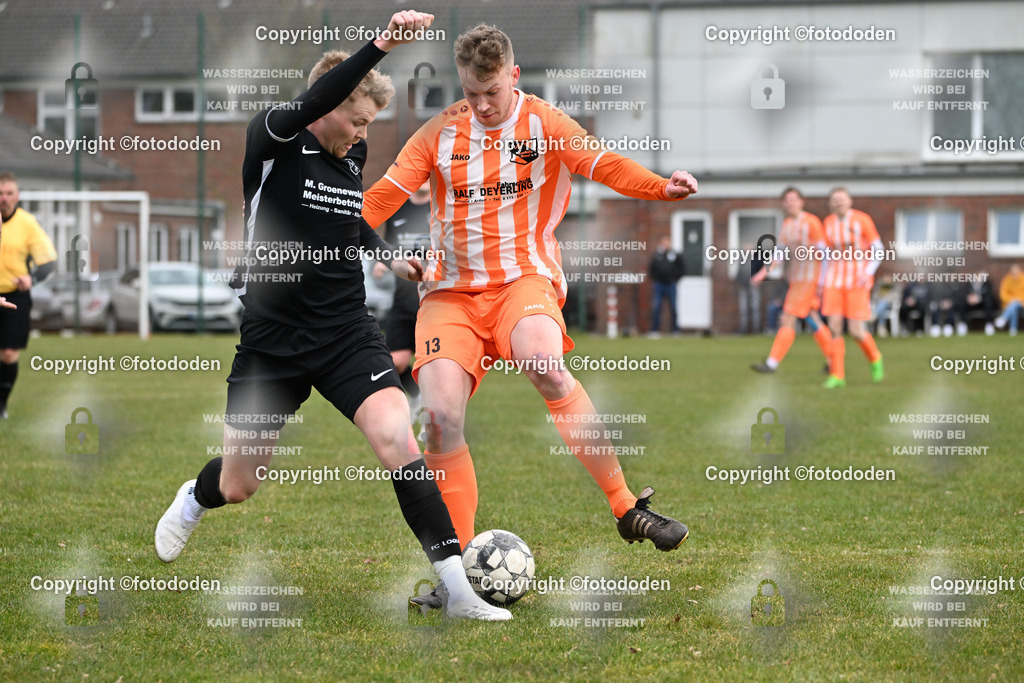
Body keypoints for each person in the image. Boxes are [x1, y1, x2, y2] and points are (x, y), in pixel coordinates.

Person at [154, 11, 511, 622]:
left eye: (368, 124)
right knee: (240, 483)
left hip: (345, 330)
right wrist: (384, 43)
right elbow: (316, 97)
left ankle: (459, 594)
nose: (360, 134)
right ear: (326, 106)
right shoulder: (273, 136)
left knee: (399, 437)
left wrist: (392, 262)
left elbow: (349, 221)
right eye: (355, 118)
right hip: (271, 340)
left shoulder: (352, 151)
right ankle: (195, 497)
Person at [363, 23, 695, 577]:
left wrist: (662, 186)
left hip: (523, 281)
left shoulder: (545, 123)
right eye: (471, 93)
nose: (483, 104)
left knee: (547, 365)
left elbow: (605, 163)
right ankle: (457, 574)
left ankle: (625, 506)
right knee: (440, 417)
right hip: (450, 294)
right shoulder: (437, 136)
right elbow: (378, 202)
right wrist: (327, 235)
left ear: (513, 76)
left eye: (492, 92)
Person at [750, 187, 832, 374]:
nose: (790, 203)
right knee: (814, 320)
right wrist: (763, 273)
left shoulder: (811, 222)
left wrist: (822, 281)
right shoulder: (787, 224)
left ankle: (772, 363)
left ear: (801, 202)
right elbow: (780, 253)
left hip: (809, 280)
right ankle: (833, 359)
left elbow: (825, 254)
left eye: (793, 199)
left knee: (787, 318)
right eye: (786, 200)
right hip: (797, 281)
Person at [372, 182, 432, 421]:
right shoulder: (397, 209)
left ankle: (436, 415)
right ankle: (417, 397)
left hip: (432, 302)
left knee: (432, 366)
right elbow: (388, 247)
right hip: (402, 300)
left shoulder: (440, 207)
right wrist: (382, 262)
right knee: (396, 361)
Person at [0, 173, 57, 419]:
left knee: (9, 353)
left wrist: (31, 279)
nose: (4, 199)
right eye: (0, 193)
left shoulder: (27, 223)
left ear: (17, 196)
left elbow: (49, 262)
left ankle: (1, 403)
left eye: (9, 193)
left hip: (15, 297)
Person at [820, 187, 884, 388]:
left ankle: (875, 358)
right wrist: (821, 281)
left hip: (857, 281)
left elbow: (878, 250)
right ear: (830, 204)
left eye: (842, 199)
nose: (838, 203)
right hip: (834, 281)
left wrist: (868, 272)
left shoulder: (862, 220)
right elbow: (826, 255)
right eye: (835, 200)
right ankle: (837, 375)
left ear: (849, 201)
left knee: (856, 331)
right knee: (834, 328)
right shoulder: (828, 223)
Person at [647, 236, 684, 337]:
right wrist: (655, 279)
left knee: (673, 307)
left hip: (671, 284)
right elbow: (651, 269)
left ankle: (675, 330)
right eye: (664, 243)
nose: (666, 245)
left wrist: (675, 279)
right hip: (659, 285)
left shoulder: (675, 255)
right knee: (657, 307)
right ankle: (655, 330)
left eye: (668, 243)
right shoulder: (657, 255)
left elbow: (682, 268)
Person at [735, 240, 761, 335]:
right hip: (743, 285)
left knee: (755, 307)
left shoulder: (757, 259)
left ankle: (756, 329)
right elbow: (739, 271)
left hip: (754, 286)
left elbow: (762, 272)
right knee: (743, 308)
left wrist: (757, 280)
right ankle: (744, 328)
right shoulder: (742, 259)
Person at [994, 263, 1024, 335]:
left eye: (1016, 273)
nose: (1015, 275)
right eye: (1013, 273)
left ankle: (1004, 318)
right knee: (1013, 307)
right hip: (1009, 304)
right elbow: (1003, 294)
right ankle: (1013, 330)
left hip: (1022, 305)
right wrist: (1011, 300)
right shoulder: (1007, 280)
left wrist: (1019, 300)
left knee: (1014, 304)